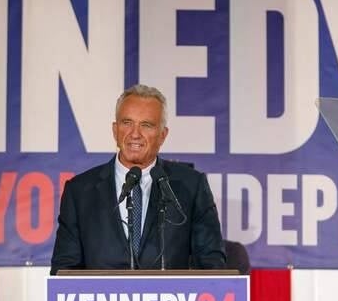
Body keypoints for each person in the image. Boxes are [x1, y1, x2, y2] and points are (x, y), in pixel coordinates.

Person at [50, 84, 226, 274]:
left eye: (146, 125)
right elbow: (64, 271)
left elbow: (211, 265)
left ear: (163, 135)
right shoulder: (80, 191)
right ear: (115, 130)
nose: (135, 134)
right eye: (127, 123)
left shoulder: (191, 186)